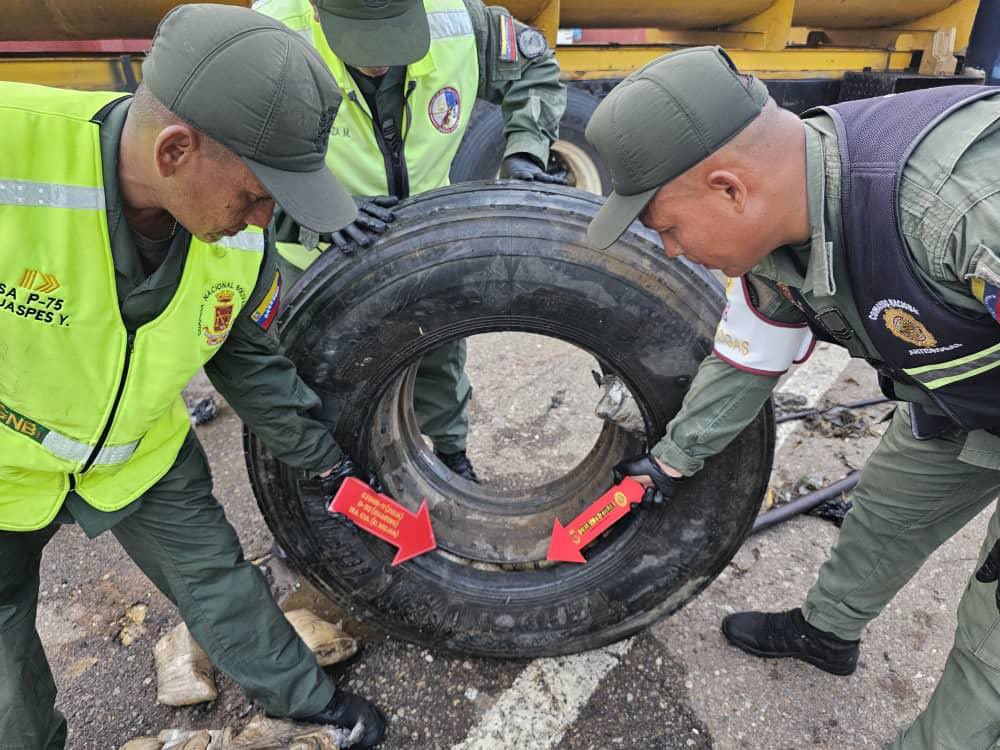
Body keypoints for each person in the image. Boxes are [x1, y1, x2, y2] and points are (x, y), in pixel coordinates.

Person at [586, 46, 1000, 749]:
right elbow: (750, 359)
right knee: (886, 514)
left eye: (667, 229)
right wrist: (671, 463)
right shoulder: (785, 222)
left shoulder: (961, 211)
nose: (674, 252)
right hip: (960, 402)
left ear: (728, 188)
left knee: (991, 640)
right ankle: (828, 632)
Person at [0, 5, 386, 748]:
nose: (264, 217)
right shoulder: (14, 147)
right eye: (255, 195)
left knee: (215, 576)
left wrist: (328, 467)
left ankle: (310, 707)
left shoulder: (235, 238)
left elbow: (248, 359)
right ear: (174, 152)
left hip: (132, 448)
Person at [254, 0, 567, 483]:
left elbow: (534, 66)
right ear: (316, 9)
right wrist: (317, 213)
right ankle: (324, 488)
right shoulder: (268, 39)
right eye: (362, 40)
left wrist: (526, 153)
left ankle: (449, 457)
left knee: (439, 352)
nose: (380, 59)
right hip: (317, 255)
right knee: (321, 377)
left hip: (425, 239)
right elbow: (227, 172)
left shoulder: (459, 21)